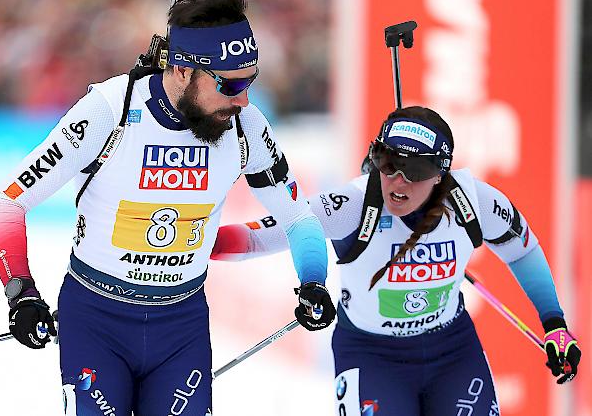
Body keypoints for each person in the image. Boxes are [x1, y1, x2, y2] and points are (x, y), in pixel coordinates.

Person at [0, 0, 336, 415]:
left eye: (250, 80)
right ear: (184, 71)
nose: (243, 99)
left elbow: (298, 218)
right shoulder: (110, 111)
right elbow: (7, 202)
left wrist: (313, 280)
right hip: (96, 321)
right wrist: (21, 292)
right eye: (230, 84)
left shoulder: (246, 127)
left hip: (180, 325)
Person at [211, 106, 582, 416]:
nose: (398, 182)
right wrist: (190, 243)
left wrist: (554, 324)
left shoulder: (474, 202)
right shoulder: (353, 204)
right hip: (372, 357)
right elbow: (261, 236)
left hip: (452, 351)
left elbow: (523, 249)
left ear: (440, 173)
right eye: (388, 164)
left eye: (416, 171)